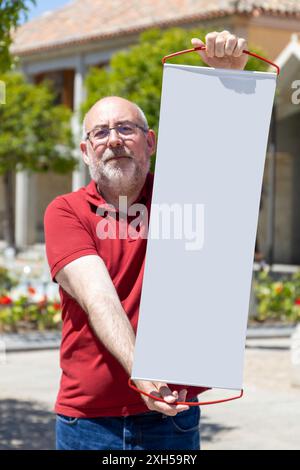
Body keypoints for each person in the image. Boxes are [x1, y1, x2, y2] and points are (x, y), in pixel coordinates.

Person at [44, 30, 248, 451]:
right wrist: (142, 369)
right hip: (88, 423)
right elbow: (98, 296)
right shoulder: (65, 211)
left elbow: (228, 158)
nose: (113, 140)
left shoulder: (185, 196)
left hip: (172, 417)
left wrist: (229, 80)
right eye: (100, 134)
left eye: (125, 128)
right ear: (85, 151)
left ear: (150, 142)